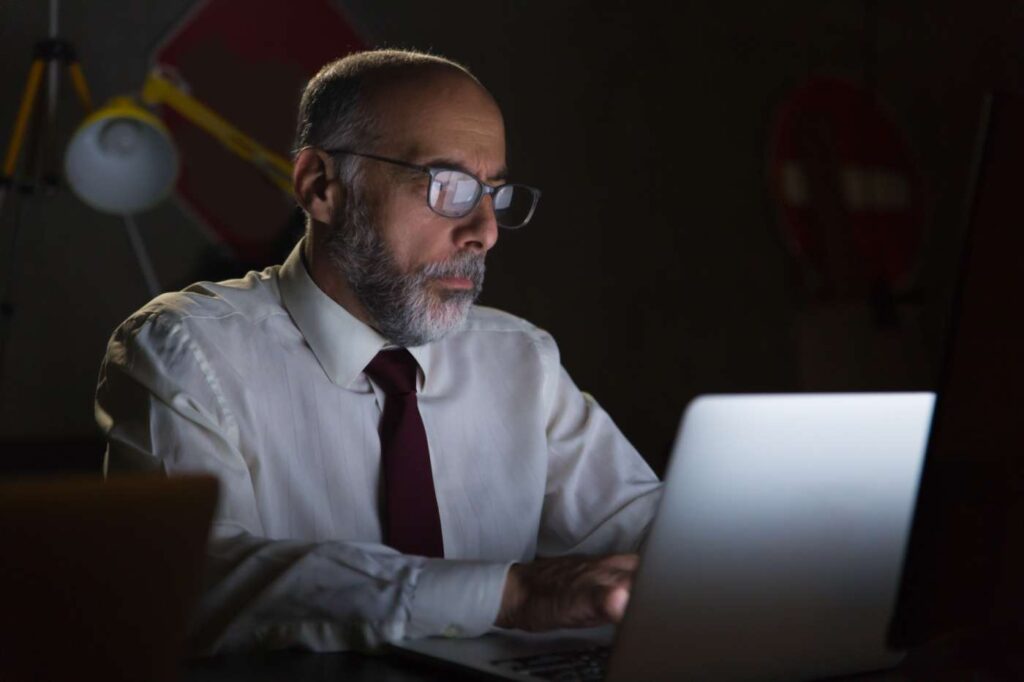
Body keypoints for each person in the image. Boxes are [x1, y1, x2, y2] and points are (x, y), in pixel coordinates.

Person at [95, 49, 661, 653]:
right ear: (321, 187)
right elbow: (195, 579)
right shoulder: (182, 350)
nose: (485, 232)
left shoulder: (521, 359)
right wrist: (508, 596)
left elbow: (654, 535)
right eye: (448, 187)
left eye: (494, 193)